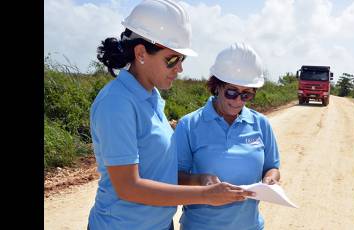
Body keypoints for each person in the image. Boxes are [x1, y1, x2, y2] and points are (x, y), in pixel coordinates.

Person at [87, 1, 254, 229]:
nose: (180, 68)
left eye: (182, 59)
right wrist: (205, 196)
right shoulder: (117, 103)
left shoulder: (151, 97)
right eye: (172, 60)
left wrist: (200, 181)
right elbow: (128, 187)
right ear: (141, 53)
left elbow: (157, 171)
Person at [174, 42, 281, 230]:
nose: (238, 101)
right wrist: (202, 181)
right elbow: (174, 177)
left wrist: (270, 180)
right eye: (231, 92)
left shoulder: (261, 124)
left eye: (246, 94)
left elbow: (272, 167)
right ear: (217, 86)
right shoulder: (189, 125)